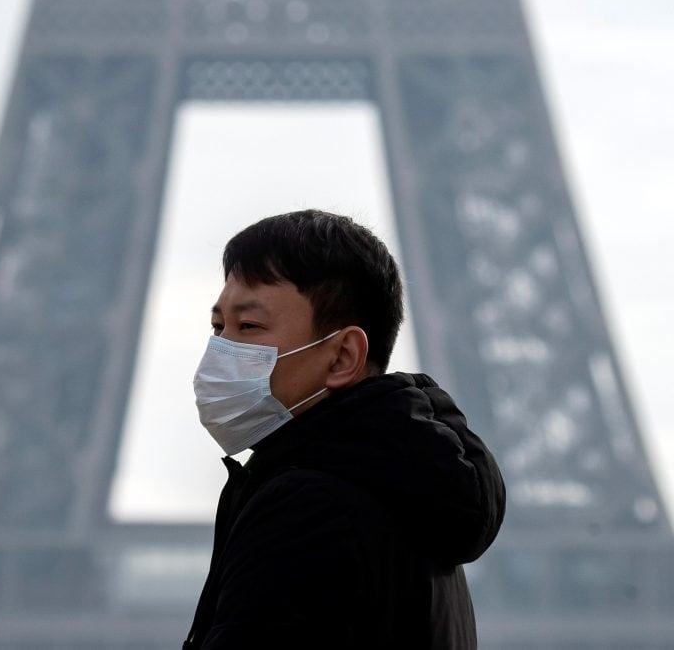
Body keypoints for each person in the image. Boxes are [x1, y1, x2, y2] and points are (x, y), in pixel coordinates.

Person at [184, 209, 505, 649]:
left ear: (341, 357)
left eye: (249, 326)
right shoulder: (414, 499)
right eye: (218, 326)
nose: (222, 348)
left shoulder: (308, 506)